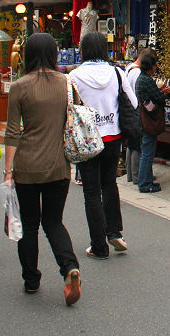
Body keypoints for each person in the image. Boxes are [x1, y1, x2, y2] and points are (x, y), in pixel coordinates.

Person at [3, 33, 81, 304]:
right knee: (53, 221)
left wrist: (8, 171)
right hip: (59, 165)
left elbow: (12, 132)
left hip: (26, 166)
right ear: (53, 54)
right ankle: (69, 267)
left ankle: (31, 280)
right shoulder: (66, 83)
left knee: (29, 224)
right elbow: (75, 116)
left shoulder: (19, 86)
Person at [69, 32, 137, 259]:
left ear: (84, 50)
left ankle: (98, 246)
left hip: (87, 140)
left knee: (91, 192)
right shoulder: (117, 73)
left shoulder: (75, 76)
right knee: (109, 184)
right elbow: (133, 102)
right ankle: (115, 232)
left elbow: (68, 107)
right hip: (112, 137)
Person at [134, 51, 170, 193]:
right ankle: (145, 184)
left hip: (142, 119)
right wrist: (166, 93)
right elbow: (159, 99)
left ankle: (146, 180)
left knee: (146, 151)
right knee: (148, 153)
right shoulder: (147, 80)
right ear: (151, 66)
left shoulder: (140, 79)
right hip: (148, 121)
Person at [123, 48, 151, 185]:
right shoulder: (138, 72)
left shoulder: (129, 68)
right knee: (137, 145)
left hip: (128, 109)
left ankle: (130, 175)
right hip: (136, 110)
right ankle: (137, 176)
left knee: (131, 143)